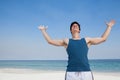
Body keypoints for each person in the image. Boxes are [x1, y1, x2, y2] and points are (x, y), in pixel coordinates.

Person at [38, 20, 115, 80]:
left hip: (86, 72)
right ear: (71, 30)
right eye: (73, 26)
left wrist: (109, 27)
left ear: (79, 30)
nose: (75, 26)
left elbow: (103, 39)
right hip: (71, 73)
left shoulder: (86, 40)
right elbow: (50, 41)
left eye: (76, 25)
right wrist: (43, 30)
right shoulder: (66, 41)